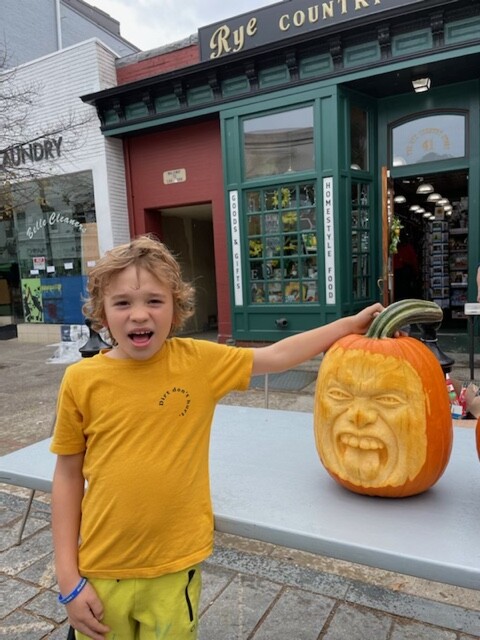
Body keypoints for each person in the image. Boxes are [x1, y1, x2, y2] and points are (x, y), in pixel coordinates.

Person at [51, 234, 384, 640]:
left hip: (175, 566)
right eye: (123, 303)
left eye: (154, 301)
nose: (139, 315)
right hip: (100, 568)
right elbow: (68, 476)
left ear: (175, 309)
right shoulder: (80, 380)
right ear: (102, 313)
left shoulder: (199, 363)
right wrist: (68, 578)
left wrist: (349, 325)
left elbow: (277, 356)